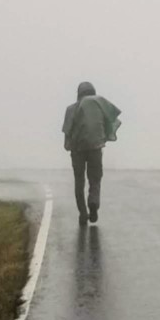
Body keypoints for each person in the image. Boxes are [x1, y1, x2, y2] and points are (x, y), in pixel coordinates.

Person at [61, 80, 121, 224]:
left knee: (79, 181)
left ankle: (83, 213)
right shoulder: (99, 104)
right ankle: (93, 202)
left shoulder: (71, 109)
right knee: (95, 179)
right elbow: (109, 122)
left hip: (77, 150)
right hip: (96, 148)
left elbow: (67, 130)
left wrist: (68, 145)